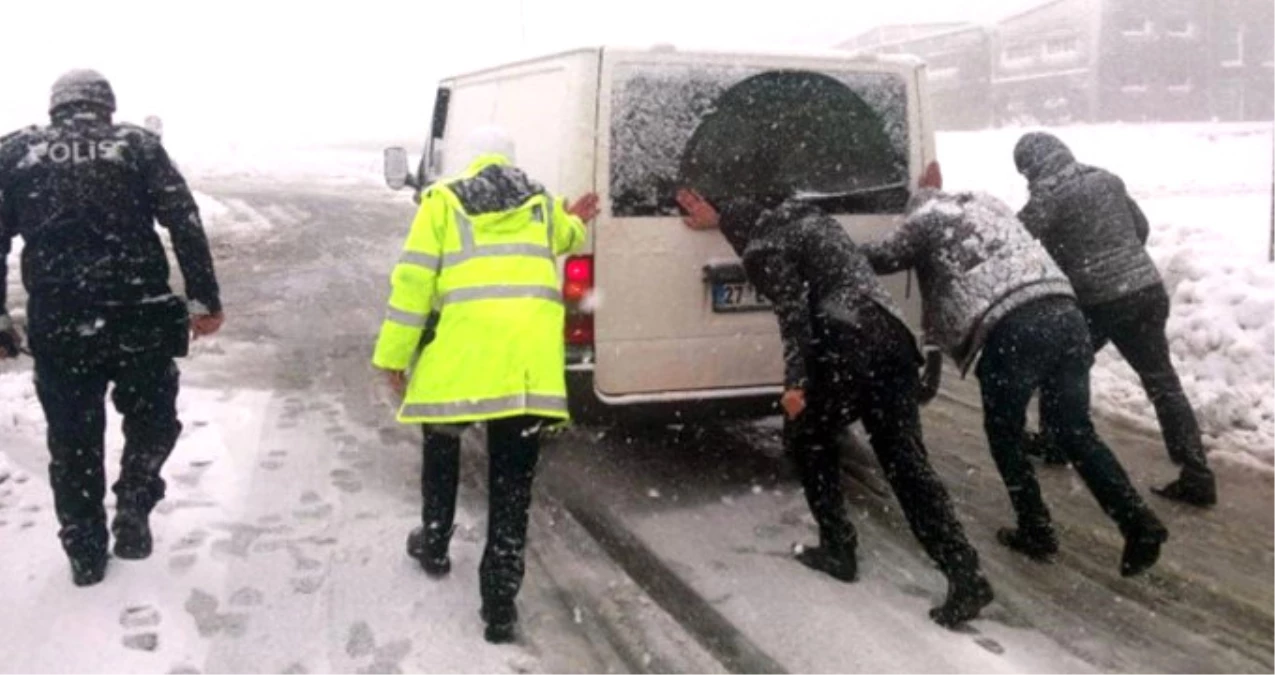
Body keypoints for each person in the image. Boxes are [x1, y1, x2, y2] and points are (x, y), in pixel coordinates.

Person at [676, 188, 994, 628]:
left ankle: (838, 548)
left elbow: (792, 313)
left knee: (807, 437)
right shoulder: (814, 221)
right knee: (905, 461)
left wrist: (796, 384)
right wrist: (725, 215)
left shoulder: (762, 248)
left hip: (846, 343)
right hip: (891, 337)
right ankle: (964, 570)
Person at [862, 188, 1168, 577]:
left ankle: (1035, 528)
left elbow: (886, 256)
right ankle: (1138, 522)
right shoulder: (988, 205)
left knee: (1004, 434)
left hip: (1013, 329)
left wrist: (840, 250)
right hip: (1066, 313)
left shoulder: (925, 220)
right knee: (1075, 431)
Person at [373, 126, 598, 644]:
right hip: (525, 372)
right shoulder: (541, 206)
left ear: (471, 165)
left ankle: (434, 543)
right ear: (512, 165)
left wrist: (394, 356)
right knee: (511, 485)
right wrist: (571, 217)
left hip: (461, 362)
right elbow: (565, 236)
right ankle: (499, 603)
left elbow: (412, 284)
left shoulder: (441, 202)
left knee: (442, 449)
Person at [0, 70, 224, 586]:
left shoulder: (17, 153)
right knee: (153, 421)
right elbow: (184, 220)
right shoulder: (137, 148)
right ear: (107, 106)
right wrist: (204, 299)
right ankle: (136, 497)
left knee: (72, 441)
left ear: (56, 107)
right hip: (139, 315)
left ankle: (84, 552)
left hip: (61, 323)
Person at [1014, 132, 1216, 507]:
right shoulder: (1106, 178)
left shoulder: (1048, 195)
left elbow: (1016, 239)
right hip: (1146, 291)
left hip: (1100, 300)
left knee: (1061, 366)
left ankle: (1057, 441)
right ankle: (1197, 474)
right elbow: (1140, 227)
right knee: (1162, 382)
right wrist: (1119, 257)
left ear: (1032, 166)